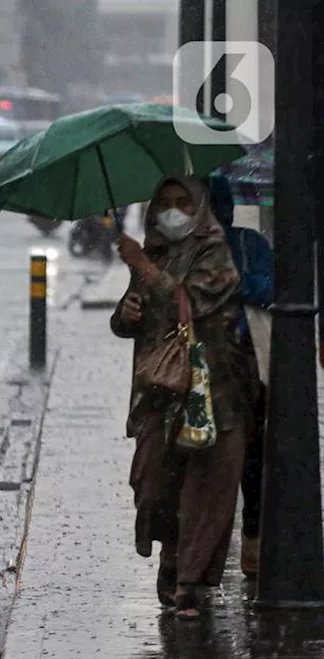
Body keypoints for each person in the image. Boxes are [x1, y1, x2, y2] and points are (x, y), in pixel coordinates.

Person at [111, 175, 247, 619]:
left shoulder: (215, 253)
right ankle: (170, 556)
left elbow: (192, 302)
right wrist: (126, 312)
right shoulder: (153, 252)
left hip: (212, 392)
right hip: (158, 391)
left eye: (182, 202)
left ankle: (189, 583)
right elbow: (131, 316)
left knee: (206, 489)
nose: (172, 210)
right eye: (164, 202)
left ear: (200, 208)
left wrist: (142, 266)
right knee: (154, 485)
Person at [207, 174, 273, 577]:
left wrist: (237, 282)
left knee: (252, 454)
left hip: (250, 363)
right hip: (203, 365)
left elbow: (272, 287)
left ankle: (251, 537)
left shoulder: (249, 245)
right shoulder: (186, 251)